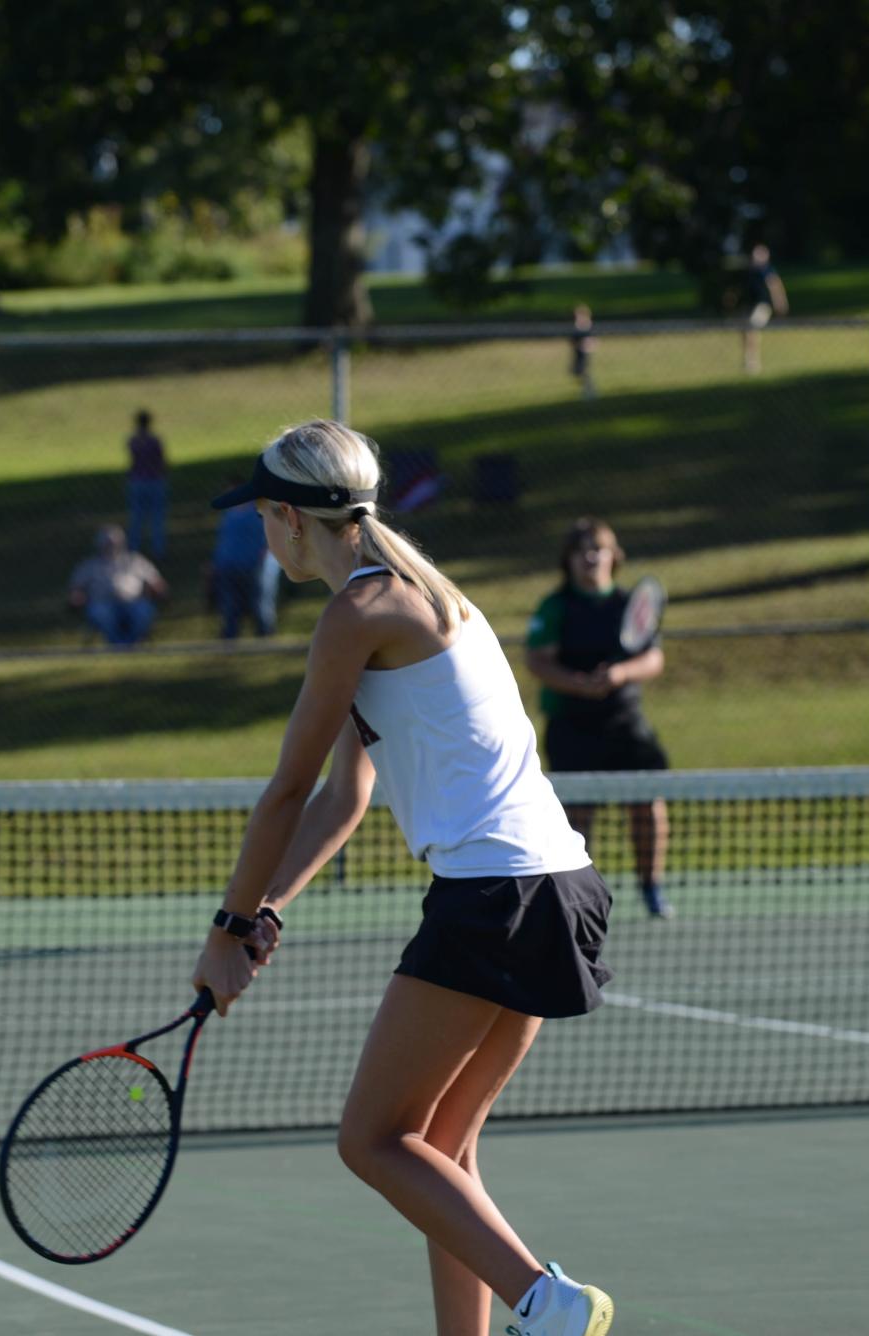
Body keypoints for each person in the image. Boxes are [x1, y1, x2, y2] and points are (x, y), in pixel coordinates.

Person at [194, 421, 616, 1336]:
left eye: (264, 518)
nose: (263, 536)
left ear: (290, 520)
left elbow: (285, 791)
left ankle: (547, 1304)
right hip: (559, 886)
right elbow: (344, 797)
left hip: (494, 897)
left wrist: (225, 931)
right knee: (443, 1150)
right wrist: (266, 907)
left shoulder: (356, 614)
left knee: (372, 1139)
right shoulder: (426, 593)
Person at [524, 519, 673, 920]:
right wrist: (577, 683)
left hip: (625, 723)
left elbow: (653, 657)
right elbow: (537, 660)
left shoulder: (630, 605)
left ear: (613, 556)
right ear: (568, 561)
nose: (590, 557)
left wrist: (620, 674)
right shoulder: (556, 606)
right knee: (575, 816)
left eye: (598, 548)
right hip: (571, 725)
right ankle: (577, 897)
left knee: (648, 803)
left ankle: (652, 888)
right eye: (581, 550)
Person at [68, 525, 170, 647]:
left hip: (133, 602)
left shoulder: (135, 561)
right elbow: (76, 589)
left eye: (115, 543)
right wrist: (77, 598)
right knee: (102, 614)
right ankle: (118, 646)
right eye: (108, 543)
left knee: (143, 611)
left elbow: (156, 582)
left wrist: (158, 590)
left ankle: (132, 645)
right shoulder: (89, 566)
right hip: (102, 603)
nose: (111, 546)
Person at [211, 487, 279, 639]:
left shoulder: (258, 513)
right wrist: (216, 563)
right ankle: (231, 634)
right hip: (229, 566)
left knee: (259, 601)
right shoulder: (228, 515)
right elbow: (222, 542)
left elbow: (268, 539)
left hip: (254, 565)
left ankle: (265, 632)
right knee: (230, 604)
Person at [125, 408, 169, 560]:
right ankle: (158, 550)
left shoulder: (133, 441)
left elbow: (132, 461)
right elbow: (162, 461)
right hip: (155, 480)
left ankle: (133, 549)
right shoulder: (155, 440)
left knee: (136, 517)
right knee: (157, 517)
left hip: (137, 480)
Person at [741, 243, 789, 374]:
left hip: (763, 305)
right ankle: (748, 360)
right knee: (745, 332)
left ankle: (753, 363)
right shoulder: (749, 271)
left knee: (752, 329)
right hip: (750, 305)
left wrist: (780, 303)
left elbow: (775, 287)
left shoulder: (767, 270)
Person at [569, 304, 598, 400]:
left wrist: (588, 345)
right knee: (577, 373)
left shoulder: (587, 328)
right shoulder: (576, 329)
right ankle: (588, 389)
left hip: (584, 355)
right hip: (577, 354)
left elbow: (593, 342)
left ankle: (590, 391)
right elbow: (572, 342)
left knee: (584, 373)